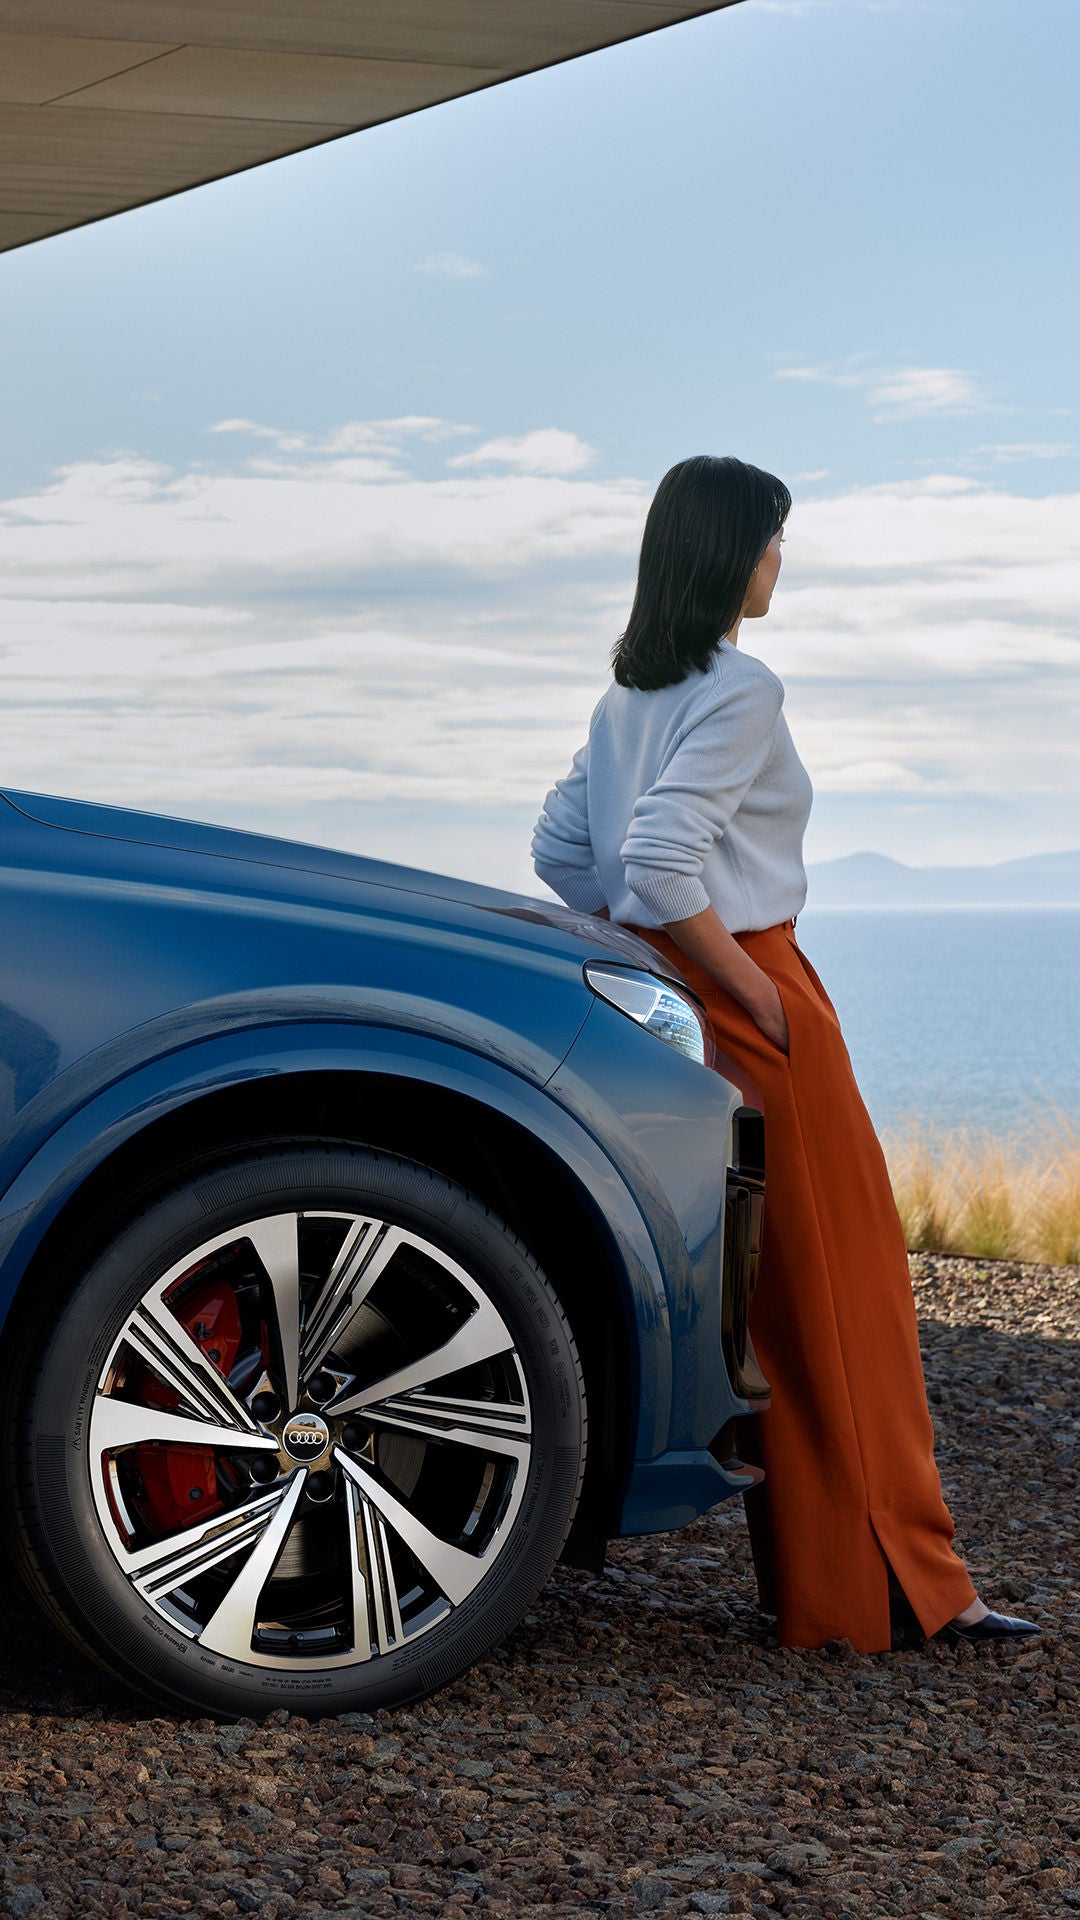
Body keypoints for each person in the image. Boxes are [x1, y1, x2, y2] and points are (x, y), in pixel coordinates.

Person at [531, 453, 1039, 1653]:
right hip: (759, 991)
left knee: (773, 1307)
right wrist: (758, 991)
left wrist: (665, 965)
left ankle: (839, 1590)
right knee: (847, 1301)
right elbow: (660, 866)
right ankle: (913, 1594)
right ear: (725, 553)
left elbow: (566, 854)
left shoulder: (622, 704)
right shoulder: (741, 687)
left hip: (673, 1003)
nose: (779, 563)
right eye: (771, 541)